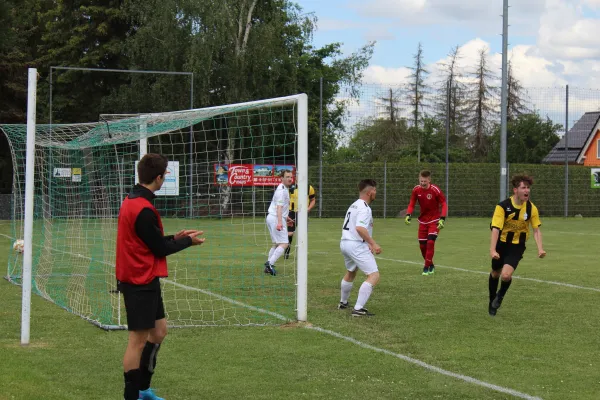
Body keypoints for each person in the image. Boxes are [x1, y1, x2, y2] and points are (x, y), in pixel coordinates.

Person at [116, 154, 205, 400]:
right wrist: (188, 242)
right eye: (165, 174)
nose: (165, 177)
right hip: (138, 281)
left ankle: (143, 390)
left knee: (159, 332)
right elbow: (159, 249)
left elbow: (150, 242)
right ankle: (132, 395)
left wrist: (175, 238)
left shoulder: (134, 200)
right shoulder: (142, 208)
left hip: (146, 278)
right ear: (158, 177)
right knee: (136, 341)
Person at [488, 174, 546, 316]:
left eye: (528, 188)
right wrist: (493, 249)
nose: (527, 190)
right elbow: (495, 229)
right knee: (495, 273)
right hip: (502, 244)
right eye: (523, 187)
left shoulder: (531, 208)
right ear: (515, 190)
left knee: (506, 275)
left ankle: (500, 296)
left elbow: (536, 230)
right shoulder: (502, 207)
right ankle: (492, 300)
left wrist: (540, 248)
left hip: (517, 246)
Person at [338, 179, 381, 317]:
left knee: (351, 271)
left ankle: (343, 302)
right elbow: (360, 228)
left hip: (345, 242)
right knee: (374, 275)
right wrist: (372, 243)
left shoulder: (354, 205)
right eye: (374, 190)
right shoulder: (364, 208)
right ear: (369, 192)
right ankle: (358, 308)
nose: (376, 192)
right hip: (355, 244)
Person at [404, 170, 448, 275]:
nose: (422, 183)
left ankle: (425, 267)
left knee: (430, 242)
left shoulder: (435, 190)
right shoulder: (416, 190)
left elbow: (444, 203)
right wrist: (408, 214)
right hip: (423, 221)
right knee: (422, 246)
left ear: (429, 180)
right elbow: (412, 203)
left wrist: (442, 218)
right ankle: (431, 264)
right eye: (421, 181)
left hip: (434, 220)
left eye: (425, 181)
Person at [264, 169, 294, 276]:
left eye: (291, 177)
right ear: (282, 178)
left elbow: (281, 208)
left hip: (272, 217)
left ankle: (268, 266)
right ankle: (269, 264)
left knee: (276, 244)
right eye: (287, 177)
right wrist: (280, 222)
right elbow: (279, 207)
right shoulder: (282, 191)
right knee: (284, 243)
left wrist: (287, 219)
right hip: (276, 218)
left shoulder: (283, 188)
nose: (290, 179)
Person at [284, 180, 316, 259]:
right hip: (291, 212)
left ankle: (301, 253)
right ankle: (286, 252)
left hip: (303, 214)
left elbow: (313, 200)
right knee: (290, 233)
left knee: (303, 234)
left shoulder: (309, 187)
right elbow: (286, 200)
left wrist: (308, 209)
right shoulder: (290, 186)